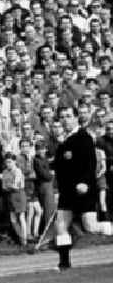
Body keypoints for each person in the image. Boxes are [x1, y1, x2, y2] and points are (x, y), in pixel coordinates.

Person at [52, 106, 103, 270]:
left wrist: (85, 182)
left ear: (75, 118)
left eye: (68, 116)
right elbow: (59, 168)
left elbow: (90, 163)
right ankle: (64, 264)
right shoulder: (63, 141)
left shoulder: (84, 137)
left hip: (83, 189)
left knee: (91, 226)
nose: (65, 119)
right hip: (67, 192)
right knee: (60, 225)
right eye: (62, 117)